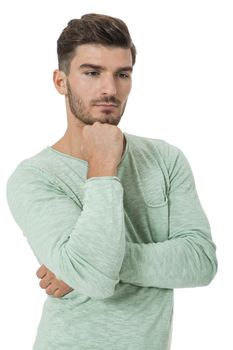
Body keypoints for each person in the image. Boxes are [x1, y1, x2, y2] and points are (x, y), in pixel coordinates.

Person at [6, 13, 218, 350]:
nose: (110, 89)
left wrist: (78, 266)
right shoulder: (34, 177)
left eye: (122, 74)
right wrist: (102, 164)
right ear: (61, 82)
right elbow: (93, 276)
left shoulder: (165, 159)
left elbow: (200, 262)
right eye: (92, 73)